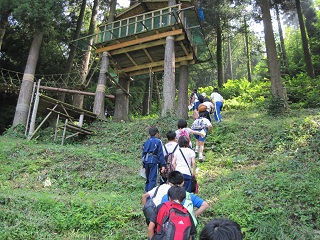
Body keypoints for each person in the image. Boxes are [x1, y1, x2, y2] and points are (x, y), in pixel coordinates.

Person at [142, 127, 166, 192]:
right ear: (156, 134)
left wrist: (143, 165)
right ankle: (150, 195)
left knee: (148, 179)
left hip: (146, 161)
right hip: (154, 161)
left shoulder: (146, 142)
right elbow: (161, 154)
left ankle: (146, 193)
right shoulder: (158, 141)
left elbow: (143, 153)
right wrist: (163, 165)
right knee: (153, 178)